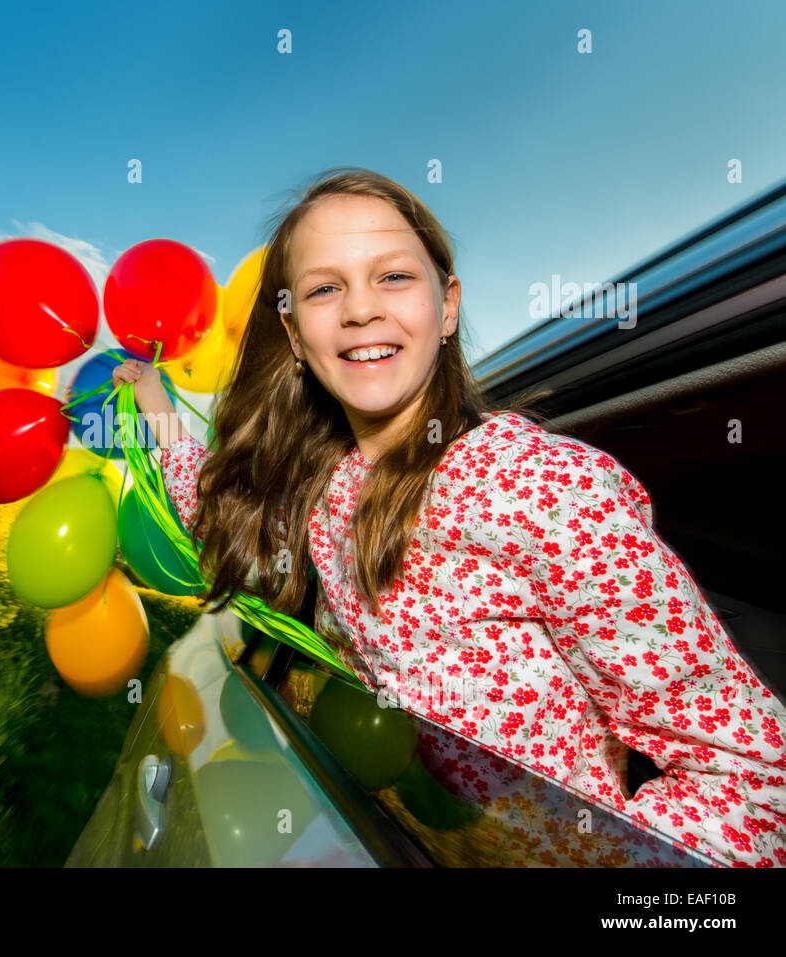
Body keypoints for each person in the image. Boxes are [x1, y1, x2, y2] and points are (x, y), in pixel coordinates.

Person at [111, 167, 786, 868]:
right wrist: (159, 405)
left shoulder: (542, 487)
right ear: (295, 334)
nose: (360, 309)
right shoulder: (325, 490)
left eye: (393, 277)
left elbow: (753, 784)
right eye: (323, 288)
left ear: (449, 304)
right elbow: (221, 513)